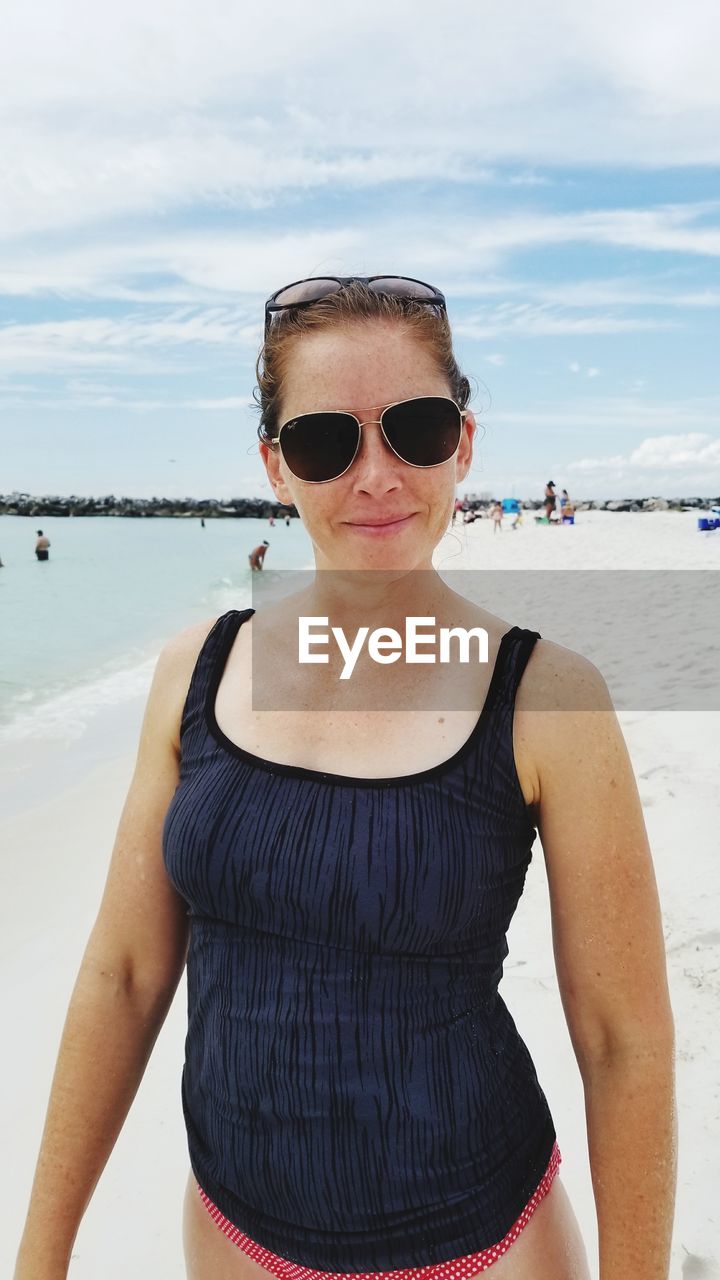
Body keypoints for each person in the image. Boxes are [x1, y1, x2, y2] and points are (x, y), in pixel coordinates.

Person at [14, 277, 676, 1280]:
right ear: (276, 466)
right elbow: (124, 973)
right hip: (231, 1236)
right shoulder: (193, 670)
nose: (376, 474)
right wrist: (39, 1250)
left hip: (481, 1248)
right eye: (328, 441)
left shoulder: (547, 696)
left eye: (414, 427)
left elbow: (622, 1038)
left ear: (464, 443)